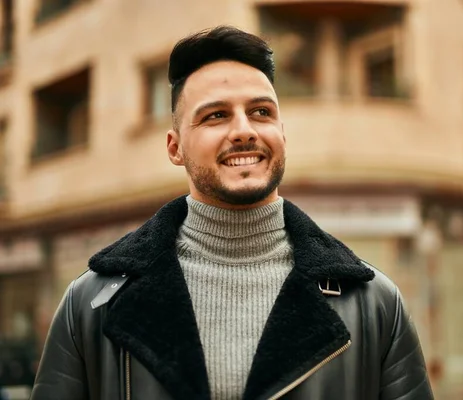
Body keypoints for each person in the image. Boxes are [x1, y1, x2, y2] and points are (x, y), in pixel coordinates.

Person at [30, 26, 433, 400]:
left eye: (261, 112)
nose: (244, 130)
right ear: (175, 147)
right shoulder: (91, 303)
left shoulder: (376, 303)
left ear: (282, 135)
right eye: (216, 115)